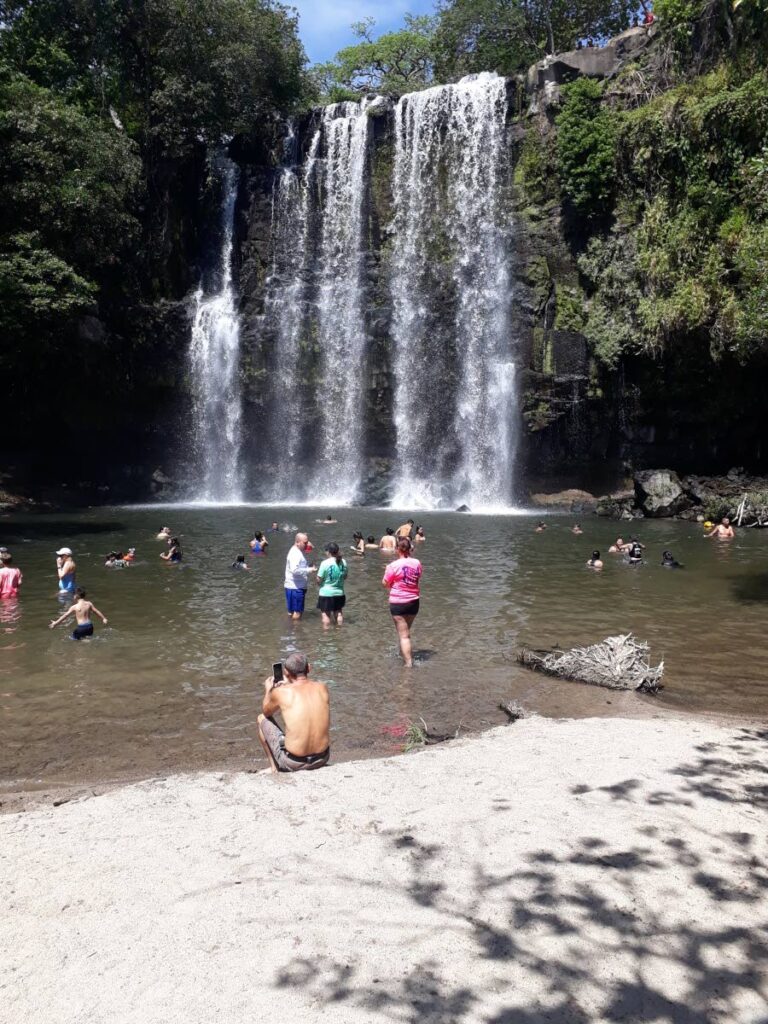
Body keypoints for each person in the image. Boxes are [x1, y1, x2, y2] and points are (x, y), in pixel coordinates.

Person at [257, 653, 330, 773]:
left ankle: (274, 768)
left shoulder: (281, 692)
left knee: (261, 718)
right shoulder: (323, 688)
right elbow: (303, 694)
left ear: (286, 672)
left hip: (293, 763)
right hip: (322, 759)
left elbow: (266, 711)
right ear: (309, 668)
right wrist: (290, 684)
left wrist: (268, 690)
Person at [382, 537, 422, 668]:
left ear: (397, 549)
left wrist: (392, 584)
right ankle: (404, 654)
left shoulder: (392, 566)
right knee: (406, 632)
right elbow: (417, 577)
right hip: (414, 601)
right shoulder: (417, 563)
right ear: (410, 549)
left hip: (398, 603)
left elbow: (385, 583)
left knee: (404, 636)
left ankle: (408, 664)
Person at [284, 532, 315, 620]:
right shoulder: (296, 554)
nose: (307, 544)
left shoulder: (295, 550)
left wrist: (307, 567)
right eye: (305, 543)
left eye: (307, 542)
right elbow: (294, 570)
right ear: (297, 542)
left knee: (291, 612)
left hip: (291, 586)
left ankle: (289, 630)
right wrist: (309, 570)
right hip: (296, 588)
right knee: (297, 613)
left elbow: (296, 567)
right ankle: (296, 632)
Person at [316, 542, 348, 627]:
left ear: (328, 552)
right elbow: (345, 577)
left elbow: (319, 579)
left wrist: (320, 584)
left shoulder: (324, 563)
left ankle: (326, 635)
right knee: (339, 613)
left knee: (326, 615)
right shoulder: (343, 562)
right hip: (339, 593)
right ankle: (339, 630)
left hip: (326, 593)